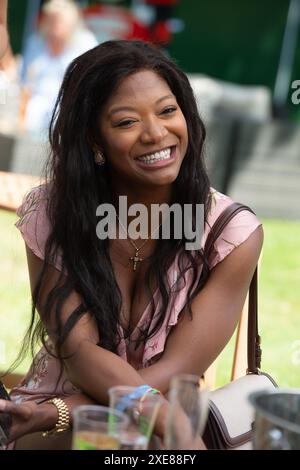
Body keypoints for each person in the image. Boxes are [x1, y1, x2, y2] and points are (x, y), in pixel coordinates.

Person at [0, 39, 263, 450]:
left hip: (158, 428)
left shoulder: (230, 234)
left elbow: (176, 370)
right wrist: (56, 415)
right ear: (93, 141)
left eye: (167, 110)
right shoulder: (54, 213)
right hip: (55, 426)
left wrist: (60, 409)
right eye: (126, 122)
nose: (156, 133)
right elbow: (80, 352)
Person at [20, 0, 98, 135]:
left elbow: (90, 87)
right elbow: (24, 83)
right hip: (33, 116)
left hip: (68, 115)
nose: (53, 26)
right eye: (50, 20)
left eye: (59, 21)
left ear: (72, 23)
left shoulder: (86, 45)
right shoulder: (35, 42)